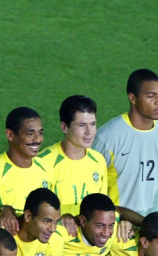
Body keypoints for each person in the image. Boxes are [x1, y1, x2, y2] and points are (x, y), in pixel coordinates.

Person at [93, 68, 158, 219]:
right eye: (151, 96)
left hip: (155, 231)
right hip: (119, 231)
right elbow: (93, 190)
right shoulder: (108, 137)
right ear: (133, 98)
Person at [0, 107, 52, 233]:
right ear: (10, 135)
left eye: (40, 133)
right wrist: (3, 211)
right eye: (30, 133)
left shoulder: (45, 169)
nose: (38, 139)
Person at [39, 95, 107, 228]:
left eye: (93, 124)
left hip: (89, 242)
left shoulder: (98, 160)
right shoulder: (43, 163)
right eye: (82, 125)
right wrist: (61, 218)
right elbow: (35, 213)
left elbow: (102, 207)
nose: (89, 132)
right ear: (65, 127)